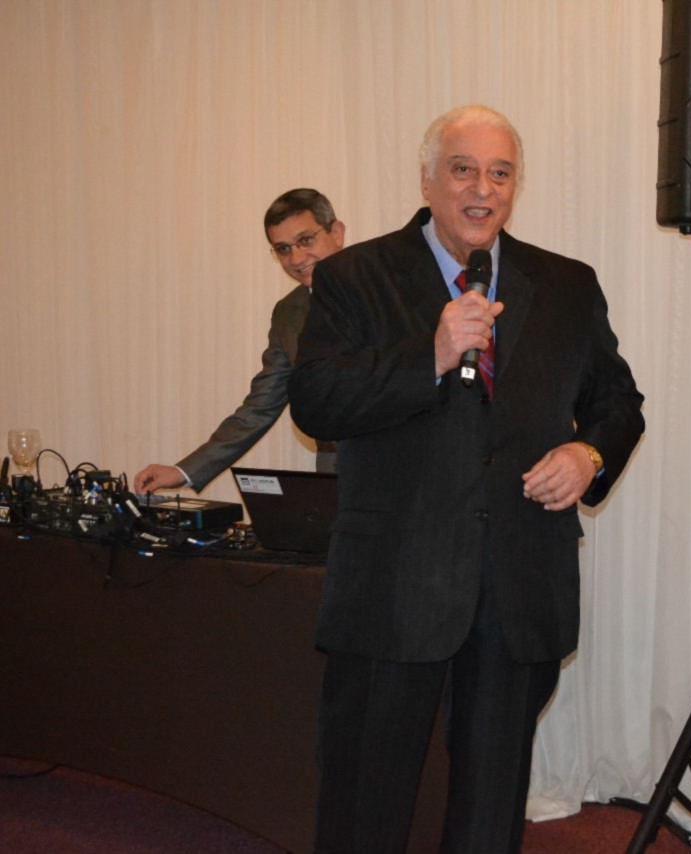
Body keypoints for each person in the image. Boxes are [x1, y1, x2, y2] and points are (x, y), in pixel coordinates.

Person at [287, 105, 644, 854]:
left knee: (489, 816)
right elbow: (316, 403)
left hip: (517, 585)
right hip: (394, 586)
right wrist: (432, 353)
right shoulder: (355, 276)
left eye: (500, 173)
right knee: (365, 806)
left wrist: (588, 456)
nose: (483, 189)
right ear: (427, 181)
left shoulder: (566, 283)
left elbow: (618, 404)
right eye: (463, 170)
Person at [133, 189, 346, 494]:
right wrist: (185, 471)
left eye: (306, 240)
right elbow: (260, 406)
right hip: (335, 468)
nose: (297, 258)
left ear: (336, 233)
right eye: (283, 249)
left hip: (400, 467)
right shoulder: (288, 313)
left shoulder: (385, 287)